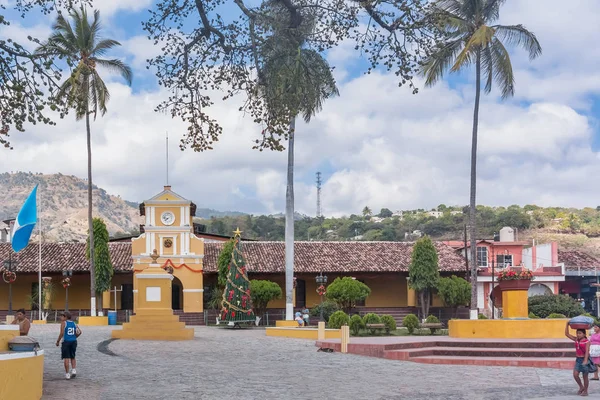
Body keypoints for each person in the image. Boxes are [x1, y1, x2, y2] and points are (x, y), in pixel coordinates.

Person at [566, 321, 592, 396]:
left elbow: (587, 351)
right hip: (578, 359)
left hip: (584, 359)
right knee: (575, 375)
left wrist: (585, 360)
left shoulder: (587, 341)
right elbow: (567, 334)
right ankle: (581, 387)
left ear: (584, 334)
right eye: (577, 333)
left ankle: (586, 391)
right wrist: (567, 325)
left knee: (585, 376)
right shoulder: (576, 339)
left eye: (580, 333)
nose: (578, 334)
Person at [56, 312, 81, 380]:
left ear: (65, 317)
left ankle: (67, 374)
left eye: (62, 316)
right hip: (73, 341)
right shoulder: (74, 323)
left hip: (66, 342)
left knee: (66, 358)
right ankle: (73, 370)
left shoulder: (64, 323)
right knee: (73, 356)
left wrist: (58, 341)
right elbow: (79, 332)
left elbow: (61, 333)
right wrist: (74, 337)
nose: (61, 318)